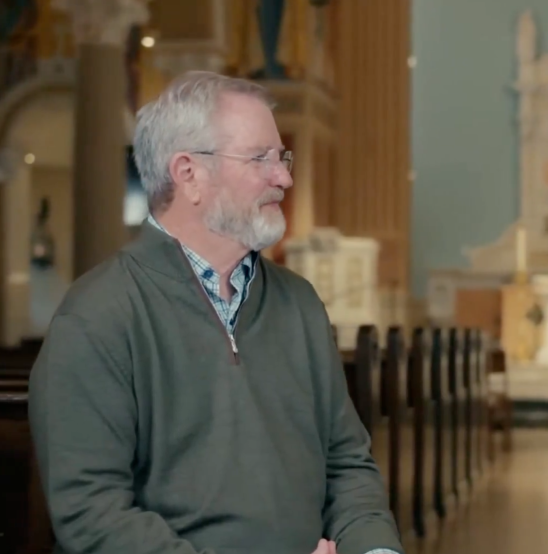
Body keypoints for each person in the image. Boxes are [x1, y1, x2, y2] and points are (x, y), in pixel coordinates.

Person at [28, 71, 404, 554]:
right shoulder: (97, 316)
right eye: (260, 158)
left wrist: (374, 550)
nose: (284, 177)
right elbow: (93, 515)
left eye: (281, 156)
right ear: (189, 174)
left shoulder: (300, 305)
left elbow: (347, 465)